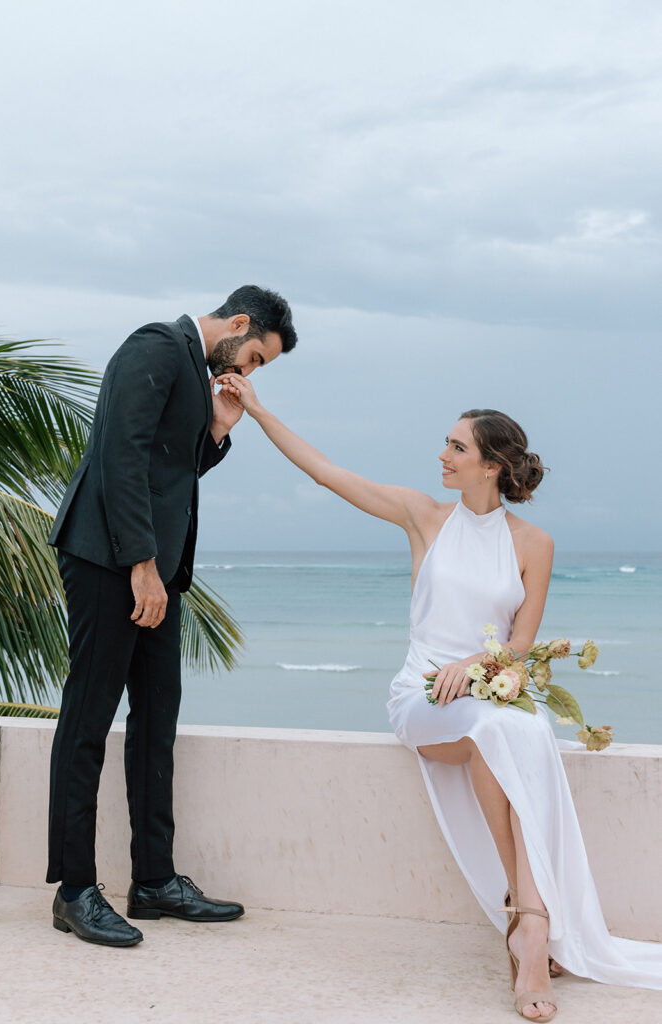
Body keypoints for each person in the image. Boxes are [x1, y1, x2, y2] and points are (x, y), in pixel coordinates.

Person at [218, 374, 662, 1019]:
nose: (442, 456)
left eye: (456, 447)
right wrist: (256, 411)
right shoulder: (424, 516)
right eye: (445, 443)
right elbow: (326, 473)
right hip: (422, 694)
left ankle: (529, 923)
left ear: (493, 464)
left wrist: (478, 665)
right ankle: (532, 924)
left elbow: (520, 645)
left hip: (486, 692)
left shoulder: (534, 545)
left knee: (510, 732)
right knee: (502, 731)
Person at [46, 286, 297, 947]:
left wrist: (215, 428)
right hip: (109, 559)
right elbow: (119, 454)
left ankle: (154, 881)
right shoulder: (156, 345)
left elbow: (168, 473)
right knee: (90, 717)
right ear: (238, 323)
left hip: (152, 567)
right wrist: (140, 563)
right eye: (252, 357)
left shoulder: (195, 369)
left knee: (157, 718)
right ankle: (74, 891)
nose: (246, 372)